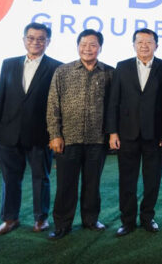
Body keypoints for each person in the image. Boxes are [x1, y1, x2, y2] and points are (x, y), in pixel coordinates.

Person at [0, 23, 62, 235]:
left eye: (41, 39)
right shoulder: (8, 64)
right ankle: (10, 218)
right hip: (8, 134)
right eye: (31, 38)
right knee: (10, 179)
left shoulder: (57, 67)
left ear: (48, 42)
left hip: (40, 135)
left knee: (40, 179)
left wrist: (55, 134)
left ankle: (40, 218)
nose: (35, 42)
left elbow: (58, 104)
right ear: (24, 40)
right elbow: (1, 99)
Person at [46, 29, 113, 240]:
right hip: (68, 139)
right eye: (84, 44)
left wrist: (111, 134)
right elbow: (52, 105)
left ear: (100, 48)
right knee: (66, 184)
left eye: (93, 45)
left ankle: (91, 220)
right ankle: (62, 224)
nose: (88, 48)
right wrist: (55, 134)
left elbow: (114, 107)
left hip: (97, 139)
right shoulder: (62, 71)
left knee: (92, 183)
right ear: (77, 46)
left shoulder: (109, 73)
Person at [106, 28, 162, 236]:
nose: (144, 45)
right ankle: (127, 220)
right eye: (140, 42)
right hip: (127, 135)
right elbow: (113, 102)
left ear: (156, 45)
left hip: (155, 136)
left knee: (152, 180)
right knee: (127, 180)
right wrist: (113, 132)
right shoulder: (122, 67)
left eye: (149, 42)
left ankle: (148, 217)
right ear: (133, 45)